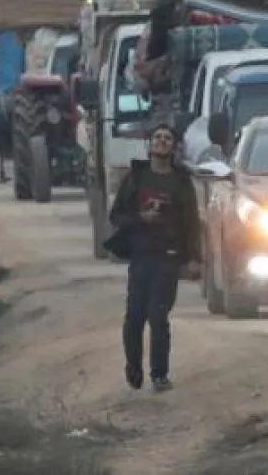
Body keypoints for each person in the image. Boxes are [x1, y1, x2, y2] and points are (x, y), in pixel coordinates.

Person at [106, 124, 201, 392]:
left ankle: (160, 374)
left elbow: (192, 223)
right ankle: (133, 367)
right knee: (134, 316)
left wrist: (194, 258)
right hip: (140, 256)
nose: (162, 141)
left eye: (167, 138)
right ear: (149, 144)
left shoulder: (181, 182)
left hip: (168, 257)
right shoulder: (136, 178)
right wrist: (141, 219)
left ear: (174, 146)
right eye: (157, 137)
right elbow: (117, 216)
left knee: (158, 315)